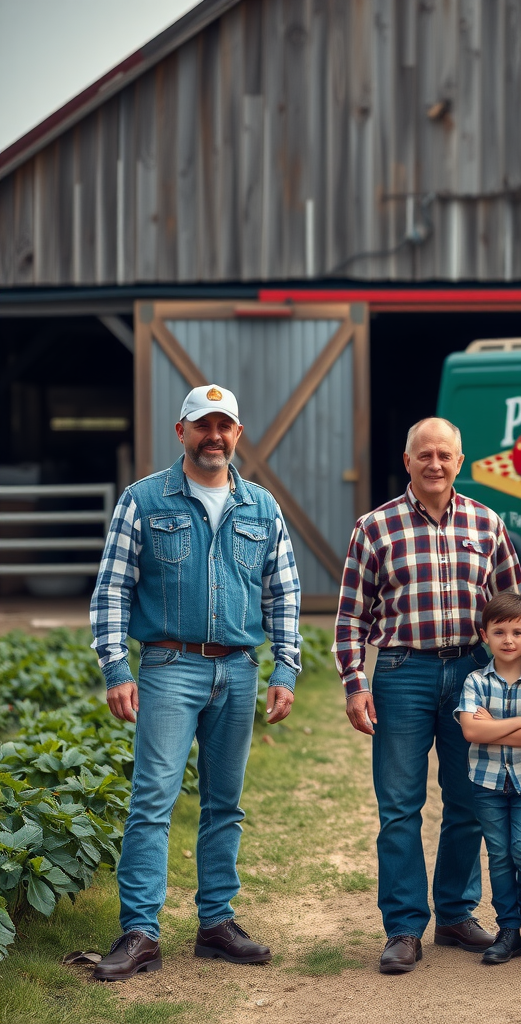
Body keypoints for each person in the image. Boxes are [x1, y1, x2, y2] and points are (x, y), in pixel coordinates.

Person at [89, 384, 301, 981]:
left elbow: (283, 593)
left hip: (238, 669)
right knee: (153, 801)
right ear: (181, 431)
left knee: (224, 804)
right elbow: (112, 588)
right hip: (168, 667)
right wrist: (115, 667)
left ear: (238, 434)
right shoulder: (144, 499)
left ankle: (216, 923)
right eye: (201, 425)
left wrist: (286, 667)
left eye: (224, 426)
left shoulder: (262, 507)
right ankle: (140, 931)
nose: (214, 436)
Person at [335, 417, 521, 975]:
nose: (435, 464)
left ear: (459, 462)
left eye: (445, 455)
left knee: (467, 801)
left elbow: (514, 605)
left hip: (470, 670)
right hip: (402, 671)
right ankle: (403, 927)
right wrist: (355, 684)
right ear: (408, 459)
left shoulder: (486, 524)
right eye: (426, 455)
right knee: (399, 806)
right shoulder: (374, 527)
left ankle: (455, 913)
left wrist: (514, 683)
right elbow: (350, 616)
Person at [457, 590, 521, 965]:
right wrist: (518, 723)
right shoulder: (475, 681)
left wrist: (494, 725)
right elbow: (471, 733)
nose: (508, 640)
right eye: (499, 632)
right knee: (498, 855)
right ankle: (508, 929)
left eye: (517, 632)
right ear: (485, 635)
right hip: (487, 782)